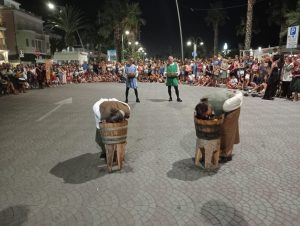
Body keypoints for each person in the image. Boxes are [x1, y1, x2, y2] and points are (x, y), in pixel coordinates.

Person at [196, 89, 243, 163]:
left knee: (227, 129)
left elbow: (216, 118)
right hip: (225, 97)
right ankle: (225, 146)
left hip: (234, 101)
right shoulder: (201, 103)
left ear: (208, 109)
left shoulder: (220, 105)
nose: (207, 116)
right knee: (229, 126)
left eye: (207, 114)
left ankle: (227, 154)